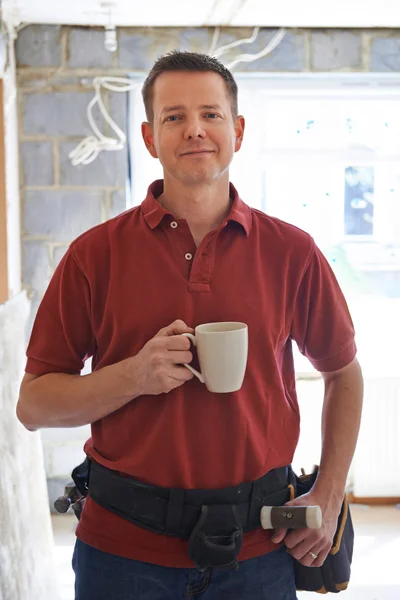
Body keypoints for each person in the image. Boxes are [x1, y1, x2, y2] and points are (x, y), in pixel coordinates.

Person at [16, 51, 363, 600]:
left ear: (238, 130)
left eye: (211, 114)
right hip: (121, 554)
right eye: (174, 117)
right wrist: (134, 376)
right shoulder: (93, 255)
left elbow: (344, 372)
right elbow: (33, 406)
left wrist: (329, 489)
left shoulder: (292, 252)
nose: (195, 129)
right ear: (150, 138)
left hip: (259, 552)